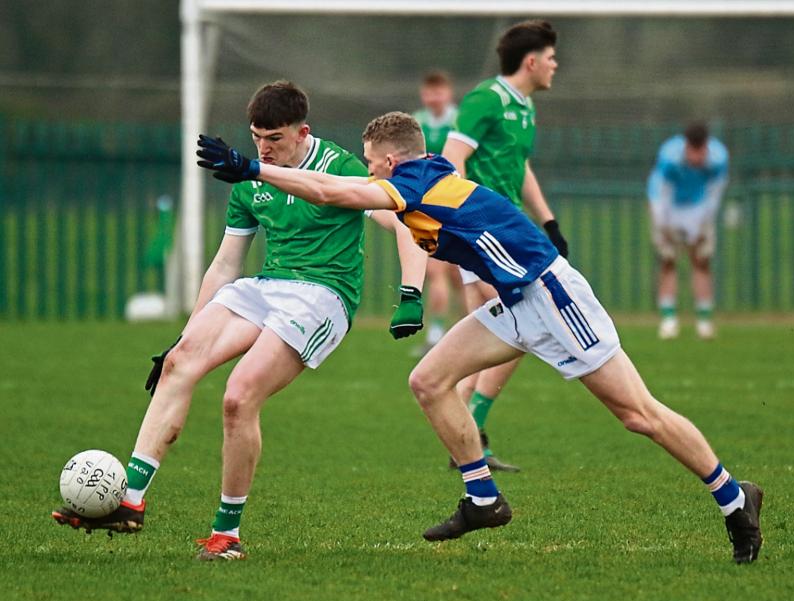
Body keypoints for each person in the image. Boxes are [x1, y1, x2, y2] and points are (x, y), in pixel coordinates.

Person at [195, 111, 764, 564]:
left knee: (639, 415)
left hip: (554, 298)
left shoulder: (412, 185)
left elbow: (331, 193)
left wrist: (252, 168)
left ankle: (735, 500)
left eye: (370, 165)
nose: (366, 173)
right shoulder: (422, 173)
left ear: (391, 161)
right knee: (429, 379)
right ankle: (483, 500)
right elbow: (330, 182)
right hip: (515, 300)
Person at [52, 81, 428, 561]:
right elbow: (227, 264)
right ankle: (129, 503)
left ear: (302, 132)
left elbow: (403, 222)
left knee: (237, 397)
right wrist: (185, 334)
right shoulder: (248, 177)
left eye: (275, 138)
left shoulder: (339, 167)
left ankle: (226, 534)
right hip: (267, 286)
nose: (263, 148)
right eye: (257, 138)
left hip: (323, 296)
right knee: (178, 363)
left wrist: (410, 292)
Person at [439, 19, 569, 472]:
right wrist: (467, 222)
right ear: (531, 61)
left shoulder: (525, 106)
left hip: (510, 232)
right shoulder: (485, 99)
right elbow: (452, 161)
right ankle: (470, 427)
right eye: (551, 57)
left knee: (494, 334)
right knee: (523, 323)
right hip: (486, 234)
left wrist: (548, 220)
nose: (556, 65)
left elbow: (520, 166)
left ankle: (464, 435)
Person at [647, 123, 729, 340]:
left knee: (701, 260)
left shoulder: (719, 158)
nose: (696, 157)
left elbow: (715, 193)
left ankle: (704, 321)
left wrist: (704, 223)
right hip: (669, 208)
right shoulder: (670, 156)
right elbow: (660, 192)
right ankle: (668, 320)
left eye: (700, 151)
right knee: (668, 260)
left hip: (698, 208)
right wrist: (662, 225)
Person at [412, 70, 462, 354]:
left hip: (453, 204)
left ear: (448, 93)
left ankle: (446, 333)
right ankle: (437, 334)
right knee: (438, 273)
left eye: (439, 91)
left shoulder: (459, 122)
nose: (434, 97)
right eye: (429, 92)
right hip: (426, 206)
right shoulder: (416, 123)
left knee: (457, 277)